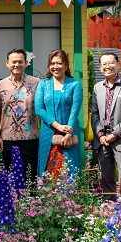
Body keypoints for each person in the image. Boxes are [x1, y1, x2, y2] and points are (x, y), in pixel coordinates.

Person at [91, 51, 121, 200]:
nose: (107, 66)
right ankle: (109, 208)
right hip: (103, 140)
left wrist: (114, 134)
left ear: (118, 64)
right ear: (100, 67)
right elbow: (95, 114)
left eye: (111, 63)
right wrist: (100, 135)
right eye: (104, 64)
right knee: (106, 177)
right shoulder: (97, 87)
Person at [0, 48, 40, 184]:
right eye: (14, 62)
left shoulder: (36, 83)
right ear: (7, 63)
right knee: (10, 178)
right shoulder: (0, 85)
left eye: (20, 62)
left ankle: (30, 205)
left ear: (26, 63)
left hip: (31, 138)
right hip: (8, 139)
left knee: (30, 178)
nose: (17, 65)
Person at [35, 49, 83, 178]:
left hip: (69, 132)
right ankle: (48, 198)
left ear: (66, 66)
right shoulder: (43, 84)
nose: (55, 67)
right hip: (48, 133)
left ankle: (69, 198)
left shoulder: (74, 84)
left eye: (59, 63)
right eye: (52, 63)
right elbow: (39, 108)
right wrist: (57, 126)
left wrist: (68, 133)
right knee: (47, 170)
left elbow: (75, 111)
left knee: (69, 170)